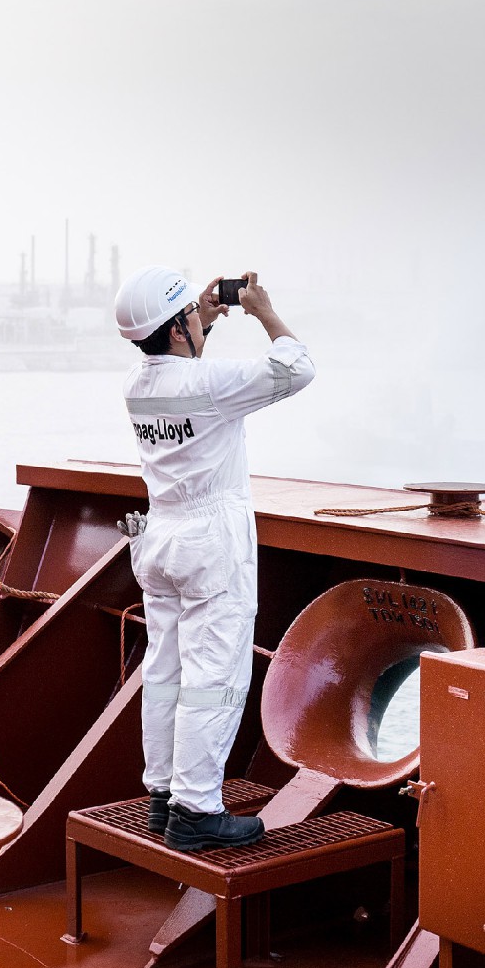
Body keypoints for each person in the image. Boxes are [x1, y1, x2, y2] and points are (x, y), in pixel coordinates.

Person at [113, 267, 316, 850]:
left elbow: (180, 368)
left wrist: (197, 318)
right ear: (178, 330)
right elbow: (297, 367)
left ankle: (162, 796)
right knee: (213, 677)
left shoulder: (135, 384)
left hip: (160, 540)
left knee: (165, 673)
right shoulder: (209, 385)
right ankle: (197, 810)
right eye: (188, 320)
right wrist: (263, 311)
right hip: (209, 547)